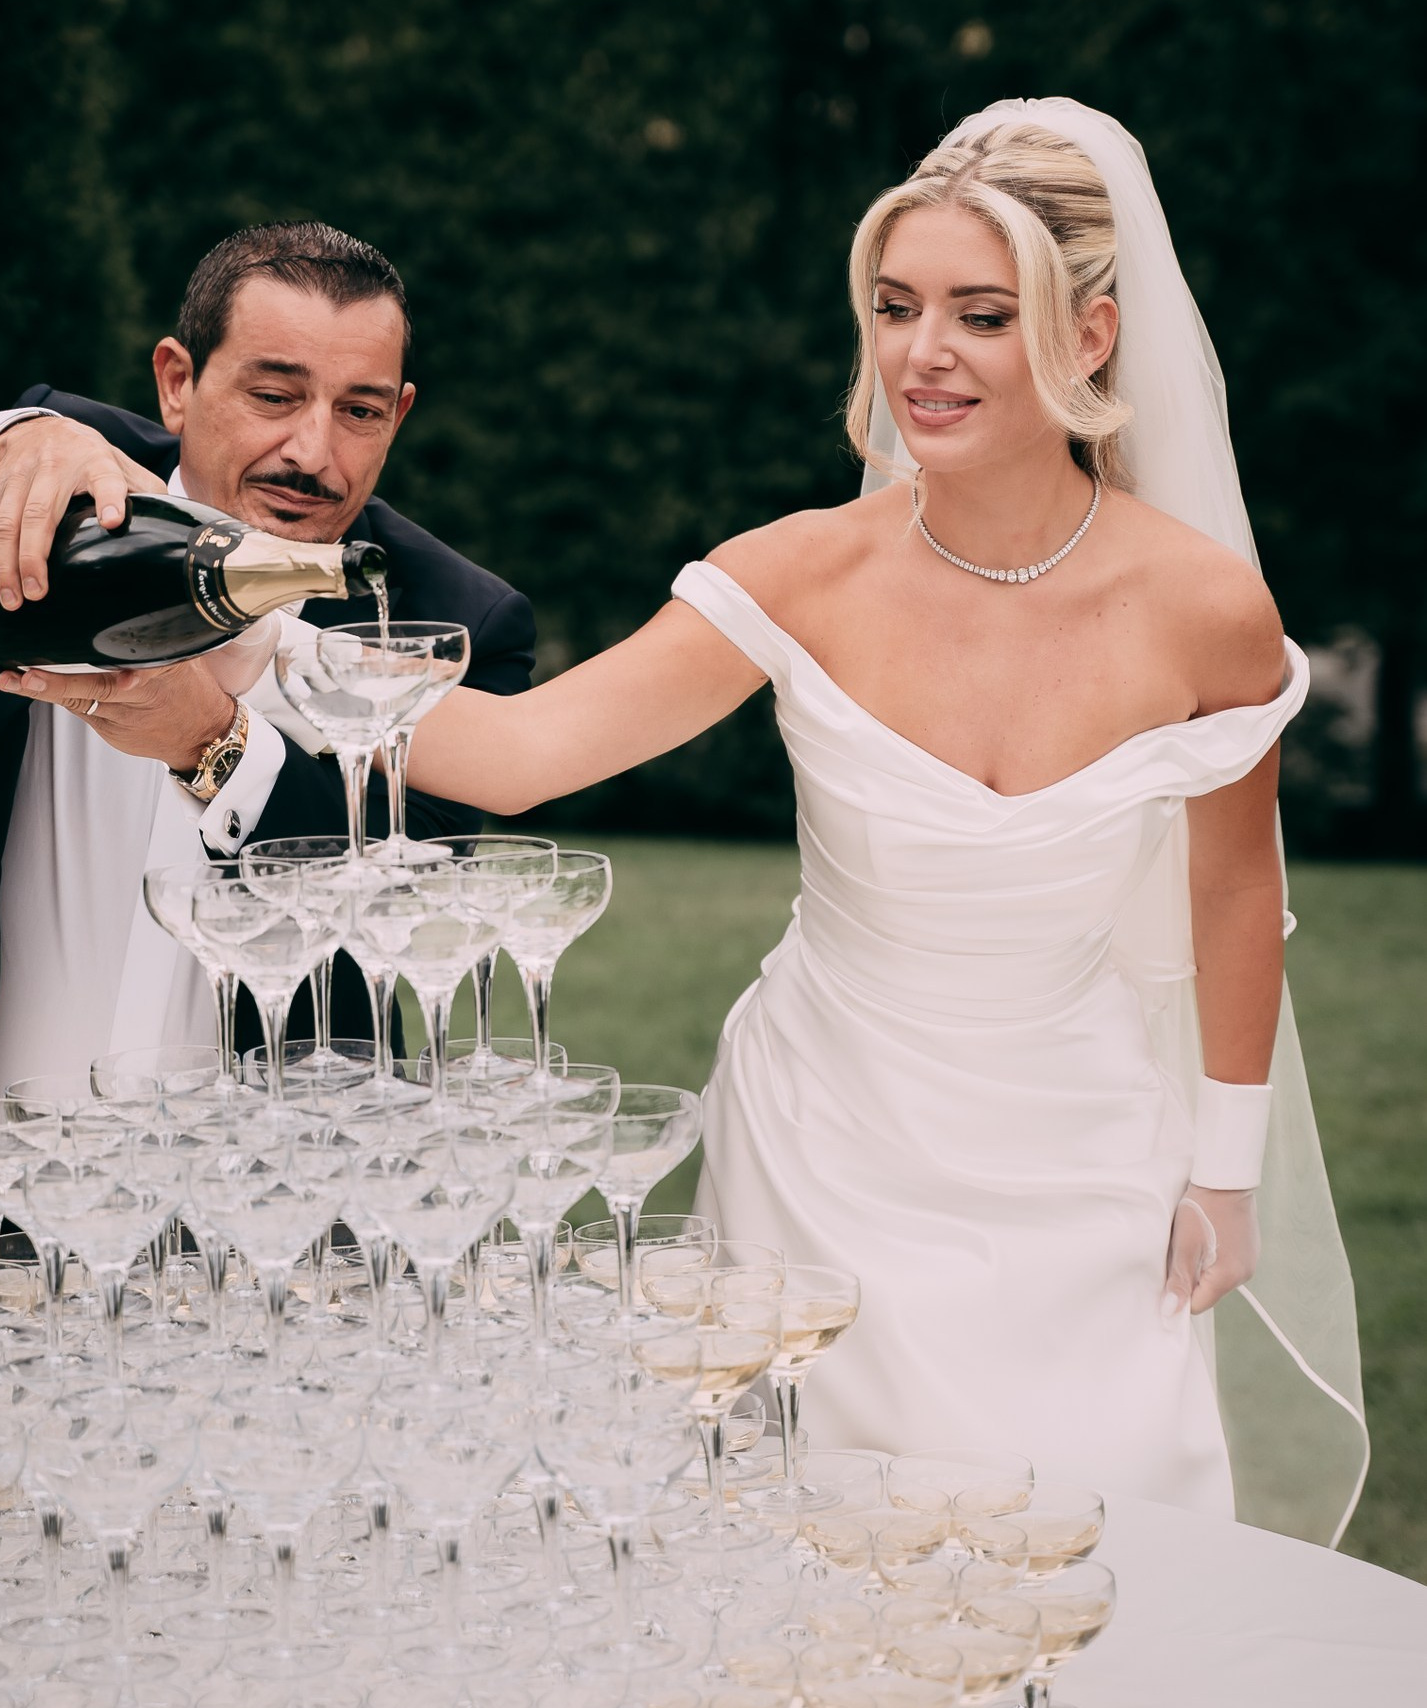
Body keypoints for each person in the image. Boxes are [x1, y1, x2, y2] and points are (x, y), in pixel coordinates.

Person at [408, 102, 1366, 1542]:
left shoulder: (1202, 608)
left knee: (1102, 1556)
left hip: (1083, 1162)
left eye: (981, 315)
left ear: (1088, 337)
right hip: (820, 1150)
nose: (922, 355)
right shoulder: (798, 574)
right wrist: (245, 650)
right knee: (807, 1566)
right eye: (893, 307)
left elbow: (1234, 891)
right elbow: (519, 756)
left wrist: (1222, 1174)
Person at [0, 221, 534, 1243]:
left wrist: (215, 746)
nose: (313, 450)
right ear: (177, 382)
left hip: (267, 1227)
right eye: (274, 395)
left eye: (359, 410)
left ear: (399, 415)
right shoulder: (63, 496)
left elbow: (399, 901)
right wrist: (12, 439)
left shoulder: (455, 620)